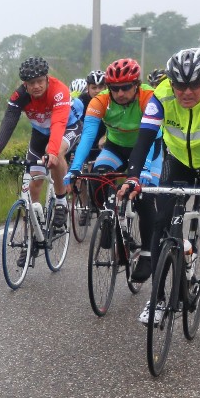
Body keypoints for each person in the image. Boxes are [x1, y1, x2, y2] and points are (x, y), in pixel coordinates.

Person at [120, 49, 200, 322]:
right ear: (171, 82)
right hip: (179, 161)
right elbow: (143, 139)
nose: (186, 92)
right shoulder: (161, 94)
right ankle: (157, 298)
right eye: (179, 85)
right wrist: (132, 177)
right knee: (161, 220)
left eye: (195, 84)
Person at [65, 58, 162, 279]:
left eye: (126, 87)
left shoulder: (149, 97)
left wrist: (144, 169)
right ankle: (108, 218)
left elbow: (154, 135)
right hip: (116, 147)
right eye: (115, 88)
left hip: (148, 147)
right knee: (98, 177)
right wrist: (75, 168)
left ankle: (147, 254)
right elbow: (88, 136)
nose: (120, 93)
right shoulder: (100, 101)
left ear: (136, 85)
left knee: (145, 196)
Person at [0, 56, 79, 251]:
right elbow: (9, 121)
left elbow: (58, 124)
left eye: (40, 81)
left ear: (47, 79)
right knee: (34, 183)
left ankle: (61, 201)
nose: (36, 86)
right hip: (40, 133)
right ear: (24, 84)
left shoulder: (59, 91)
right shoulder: (20, 95)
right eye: (31, 83)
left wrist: (52, 152)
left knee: (54, 154)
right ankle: (33, 238)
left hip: (67, 128)